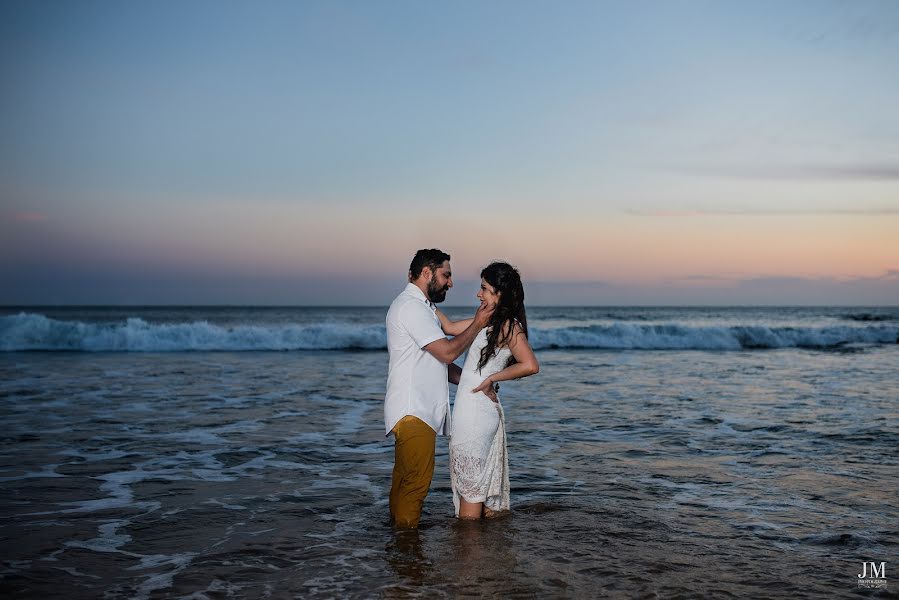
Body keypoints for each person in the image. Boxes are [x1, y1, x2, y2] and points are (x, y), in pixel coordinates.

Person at [384, 249, 496, 529]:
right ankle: (408, 558)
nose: (450, 283)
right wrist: (480, 323)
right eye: (446, 275)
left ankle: (397, 549)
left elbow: (453, 330)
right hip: (414, 411)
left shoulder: (423, 306)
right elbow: (446, 353)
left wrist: (493, 317)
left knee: (405, 482)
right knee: (416, 485)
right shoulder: (410, 307)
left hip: (415, 411)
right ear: (427, 273)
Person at [437, 261, 539, 519]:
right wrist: (422, 298)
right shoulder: (488, 322)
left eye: (484, 288)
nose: (478, 294)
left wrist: (492, 377)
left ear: (499, 294)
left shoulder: (508, 325)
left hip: (475, 415)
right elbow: (448, 328)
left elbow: (530, 364)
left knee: (470, 498)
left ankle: (470, 555)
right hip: (474, 411)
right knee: (476, 491)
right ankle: (487, 554)